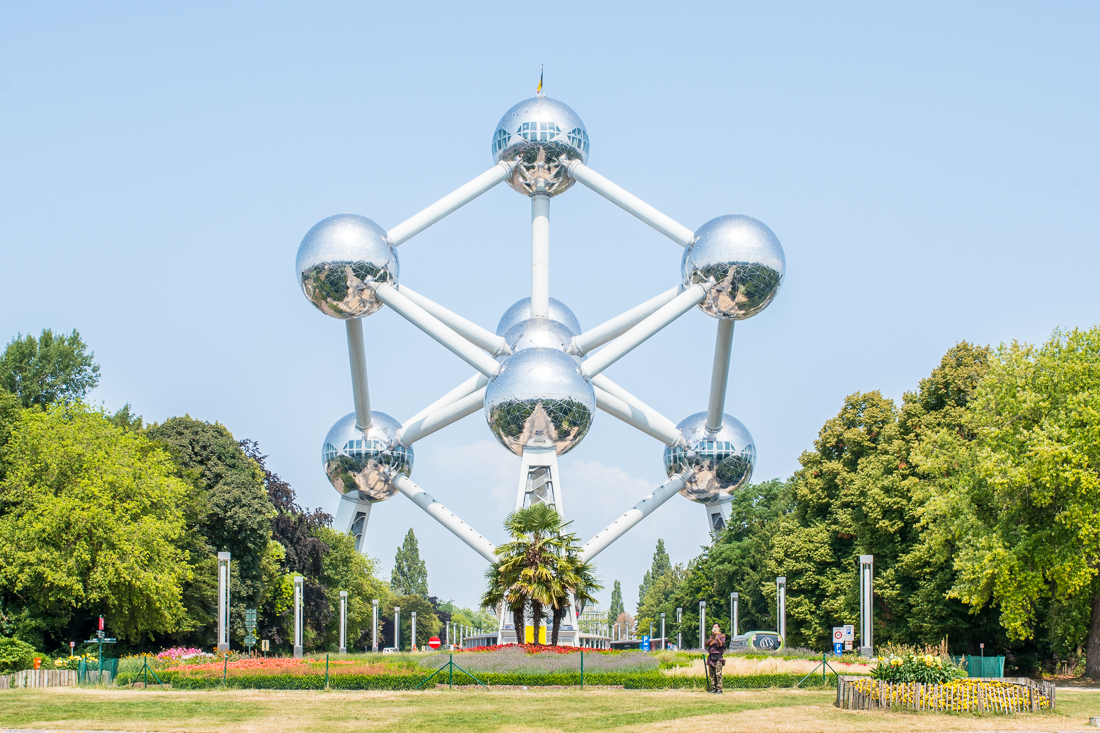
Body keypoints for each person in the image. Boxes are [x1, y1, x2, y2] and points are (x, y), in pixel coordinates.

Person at [705, 622, 726, 693]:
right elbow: (705, 644)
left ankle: (719, 689)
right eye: (714, 627)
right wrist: (710, 640)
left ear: (719, 628)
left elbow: (721, 644)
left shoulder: (722, 636)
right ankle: (714, 688)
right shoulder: (711, 637)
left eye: (716, 627)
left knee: (718, 674)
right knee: (712, 674)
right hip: (711, 657)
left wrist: (717, 638)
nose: (715, 629)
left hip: (718, 658)